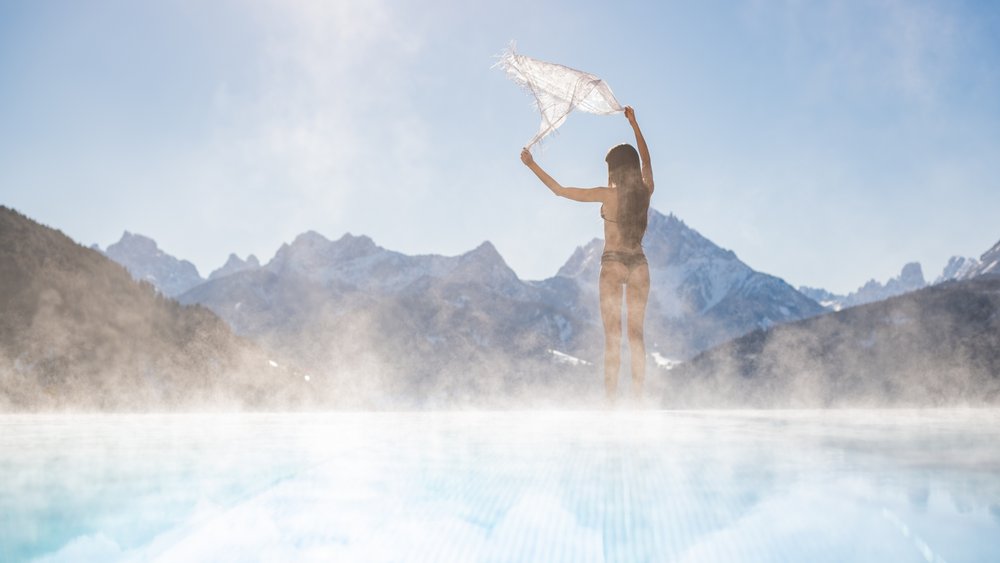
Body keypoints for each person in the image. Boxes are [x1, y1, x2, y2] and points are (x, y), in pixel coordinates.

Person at [520, 106, 654, 403]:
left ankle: (610, 404)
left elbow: (560, 190)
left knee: (613, 339)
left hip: (613, 263)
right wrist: (634, 123)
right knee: (636, 337)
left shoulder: (609, 195)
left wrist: (531, 165)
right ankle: (639, 402)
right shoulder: (646, 191)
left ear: (614, 169)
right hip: (639, 264)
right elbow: (646, 158)